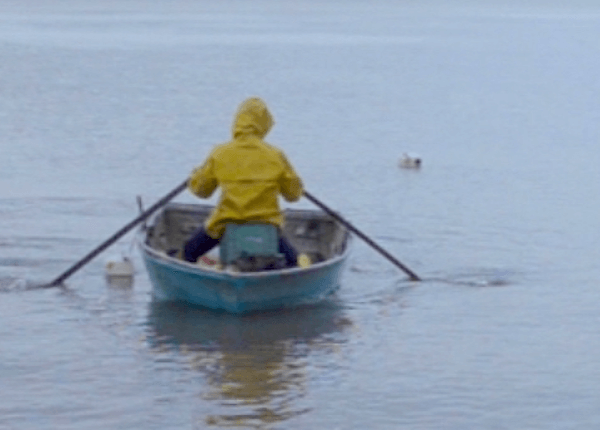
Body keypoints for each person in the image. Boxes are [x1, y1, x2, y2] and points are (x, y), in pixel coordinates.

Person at [183, 97, 304, 267]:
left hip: (223, 225)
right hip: (266, 228)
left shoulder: (220, 153)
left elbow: (201, 191)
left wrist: (195, 175)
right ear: (264, 124)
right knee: (294, 262)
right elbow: (293, 195)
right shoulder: (276, 155)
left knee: (188, 253)